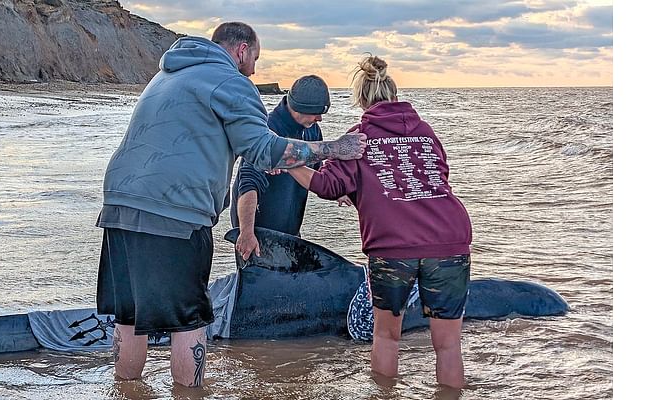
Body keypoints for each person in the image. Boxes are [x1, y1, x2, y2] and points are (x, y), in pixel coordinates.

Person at [94, 22, 367, 387]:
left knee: (130, 316)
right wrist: (333, 148)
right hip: (174, 214)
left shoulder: (167, 75)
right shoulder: (231, 82)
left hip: (118, 204)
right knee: (190, 321)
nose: (255, 67)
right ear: (241, 50)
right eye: (255, 57)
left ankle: (126, 392)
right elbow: (262, 150)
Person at [285, 55, 472, 389]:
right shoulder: (426, 132)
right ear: (395, 94)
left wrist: (288, 164)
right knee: (447, 345)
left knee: (387, 337)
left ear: (361, 100)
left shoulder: (360, 136)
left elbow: (328, 186)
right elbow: (431, 179)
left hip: (393, 247)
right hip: (450, 239)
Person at [230, 75, 352, 261]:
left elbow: (316, 172)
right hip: (258, 234)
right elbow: (247, 185)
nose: (319, 118)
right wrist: (246, 232)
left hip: (290, 232)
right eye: (316, 112)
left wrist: (338, 191)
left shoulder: (311, 129)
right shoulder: (268, 131)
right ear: (300, 108)